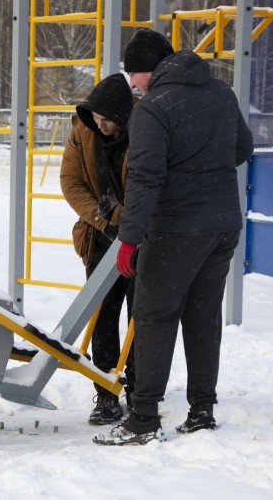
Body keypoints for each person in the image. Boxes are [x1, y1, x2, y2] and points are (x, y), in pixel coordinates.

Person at [93, 28, 254, 446]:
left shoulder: (153, 109)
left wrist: (129, 240)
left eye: (134, 77)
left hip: (176, 230)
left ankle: (143, 419)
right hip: (223, 225)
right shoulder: (221, 92)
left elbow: (146, 179)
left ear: (150, 70)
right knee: (202, 316)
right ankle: (202, 411)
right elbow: (243, 148)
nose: (132, 87)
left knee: (153, 316)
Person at [60, 72, 137, 425]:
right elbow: (71, 182)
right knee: (103, 317)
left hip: (139, 238)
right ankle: (106, 393)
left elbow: (149, 183)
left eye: (108, 121)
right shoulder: (82, 130)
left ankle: (139, 390)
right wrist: (103, 218)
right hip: (99, 238)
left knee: (141, 316)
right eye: (97, 119)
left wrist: (125, 218)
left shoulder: (143, 130)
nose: (101, 126)